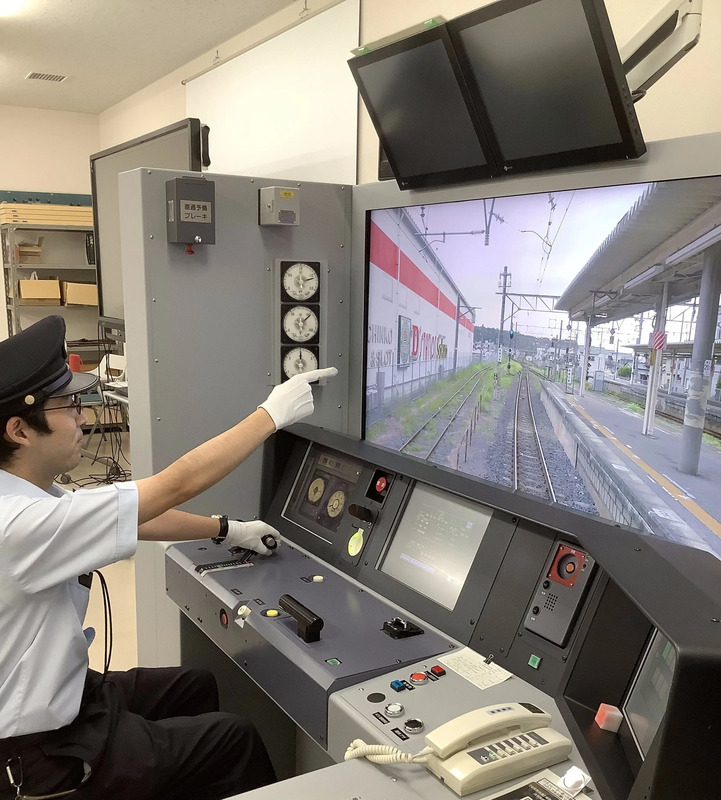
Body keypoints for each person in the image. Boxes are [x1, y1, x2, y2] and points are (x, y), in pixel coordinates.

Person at [0, 315, 337, 800]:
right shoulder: (18, 525)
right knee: (234, 741)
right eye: (69, 406)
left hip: (64, 699)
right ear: (19, 430)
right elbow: (173, 485)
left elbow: (136, 516)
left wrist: (228, 529)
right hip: (37, 757)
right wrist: (270, 415)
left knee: (195, 685)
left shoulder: (27, 494)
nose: (84, 418)